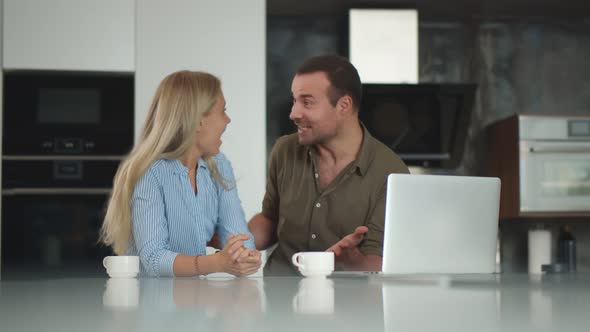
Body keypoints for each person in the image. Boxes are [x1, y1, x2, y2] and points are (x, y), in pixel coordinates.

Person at [248, 55, 409, 275]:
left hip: (346, 302)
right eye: (294, 100)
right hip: (278, 294)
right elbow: (271, 220)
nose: (293, 113)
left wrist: (350, 260)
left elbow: (378, 261)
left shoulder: (390, 172)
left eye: (307, 102)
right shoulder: (284, 150)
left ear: (343, 105)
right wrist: (231, 237)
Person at [100, 70, 261, 277]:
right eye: (223, 111)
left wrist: (246, 256)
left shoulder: (219, 167)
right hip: (148, 302)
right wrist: (218, 263)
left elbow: (240, 238)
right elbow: (154, 259)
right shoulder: (151, 174)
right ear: (198, 121)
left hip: (195, 300)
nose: (227, 120)